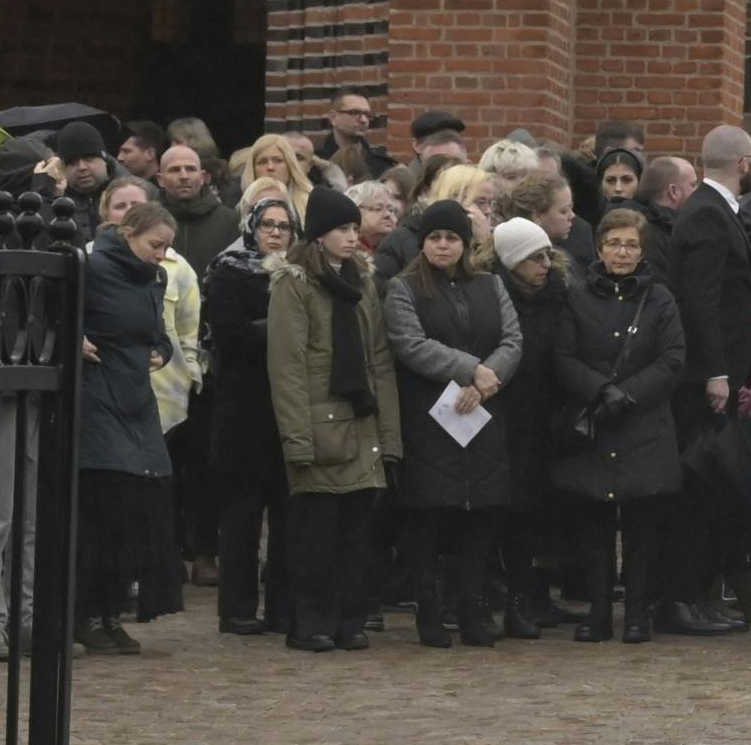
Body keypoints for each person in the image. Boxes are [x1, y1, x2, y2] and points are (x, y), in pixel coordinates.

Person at [546, 203, 695, 638]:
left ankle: (636, 613)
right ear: (599, 248)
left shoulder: (660, 297)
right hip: (593, 421)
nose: (623, 252)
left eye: (631, 245)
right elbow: (564, 356)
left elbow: (673, 359)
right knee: (593, 524)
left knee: (641, 528)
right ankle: (596, 612)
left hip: (643, 423)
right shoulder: (576, 295)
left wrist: (629, 395)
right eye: (614, 244)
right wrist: (599, 390)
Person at [384, 196, 527, 647]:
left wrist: (486, 379)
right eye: (434, 238)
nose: (443, 246)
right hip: (431, 415)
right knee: (429, 517)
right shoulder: (403, 288)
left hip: (483, 412)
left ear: (465, 245)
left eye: (451, 238)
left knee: (480, 516)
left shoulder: (489, 285)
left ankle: (473, 610)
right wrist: (468, 368)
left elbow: (512, 338)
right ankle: (429, 610)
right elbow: (410, 342)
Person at [267, 192, 395, 652]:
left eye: (352, 228)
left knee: (356, 536)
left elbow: (378, 358)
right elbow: (288, 367)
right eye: (341, 229)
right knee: (314, 536)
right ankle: (310, 621)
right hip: (318, 423)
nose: (351, 237)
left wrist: (389, 435)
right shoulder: (294, 285)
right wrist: (297, 440)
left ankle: (348, 618)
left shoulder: (361, 282)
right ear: (319, 234)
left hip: (360, 424)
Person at [74, 198, 182, 659]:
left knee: (137, 511)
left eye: (166, 248)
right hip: (97, 397)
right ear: (130, 234)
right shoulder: (91, 267)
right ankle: (87, 613)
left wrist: (163, 350)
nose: (161, 255)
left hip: (136, 398)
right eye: (155, 245)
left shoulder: (153, 277)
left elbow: (157, 329)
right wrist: (72, 337)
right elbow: (58, 311)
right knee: (104, 510)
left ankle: (112, 611)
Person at [191, 188, 288, 632]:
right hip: (240, 406)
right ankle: (238, 608)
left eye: (284, 226)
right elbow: (229, 333)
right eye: (267, 224)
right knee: (242, 515)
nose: (275, 233)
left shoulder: (299, 274)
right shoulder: (227, 271)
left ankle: (283, 606)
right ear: (250, 226)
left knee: (287, 513)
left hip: (286, 406)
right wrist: (285, 329)